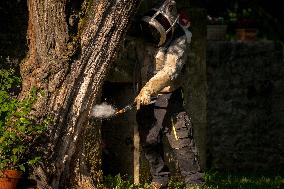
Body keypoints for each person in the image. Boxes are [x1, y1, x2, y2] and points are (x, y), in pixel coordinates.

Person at [134, 1, 204, 188]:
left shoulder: (180, 38)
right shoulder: (143, 31)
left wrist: (149, 88)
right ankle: (159, 179)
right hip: (145, 98)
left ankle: (194, 183)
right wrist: (143, 91)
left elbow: (170, 71)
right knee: (148, 139)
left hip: (169, 97)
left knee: (181, 142)